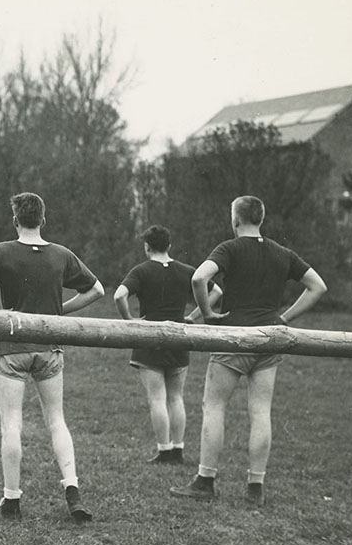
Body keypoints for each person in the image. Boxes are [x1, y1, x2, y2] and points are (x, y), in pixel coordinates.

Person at [170, 196, 327, 507]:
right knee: (261, 412)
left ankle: (205, 480)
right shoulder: (282, 253)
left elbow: (199, 277)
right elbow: (318, 286)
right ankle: (255, 486)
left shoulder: (229, 248)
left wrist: (208, 314)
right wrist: (283, 318)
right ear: (261, 219)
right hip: (269, 339)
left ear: (235, 219)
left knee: (214, 407)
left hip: (235, 337)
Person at [0, 192, 104, 523]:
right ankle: (72, 490)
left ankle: (11, 500)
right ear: (43, 219)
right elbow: (97, 290)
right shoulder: (62, 254)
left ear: (15, 220)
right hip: (49, 347)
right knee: (57, 420)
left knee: (12, 423)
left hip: (12, 347)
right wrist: (57, 314)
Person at [113, 225, 223, 465]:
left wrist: (129, 320)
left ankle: (163, 450)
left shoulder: (141, 271)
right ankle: (178, 449)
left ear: (147, 246)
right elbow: (216, 292)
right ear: (169, 245)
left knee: (157, 398)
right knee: (176, 397)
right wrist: (195, 315)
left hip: (149, 338)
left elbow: (119, 295)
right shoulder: (186, 271)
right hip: (178, 337)